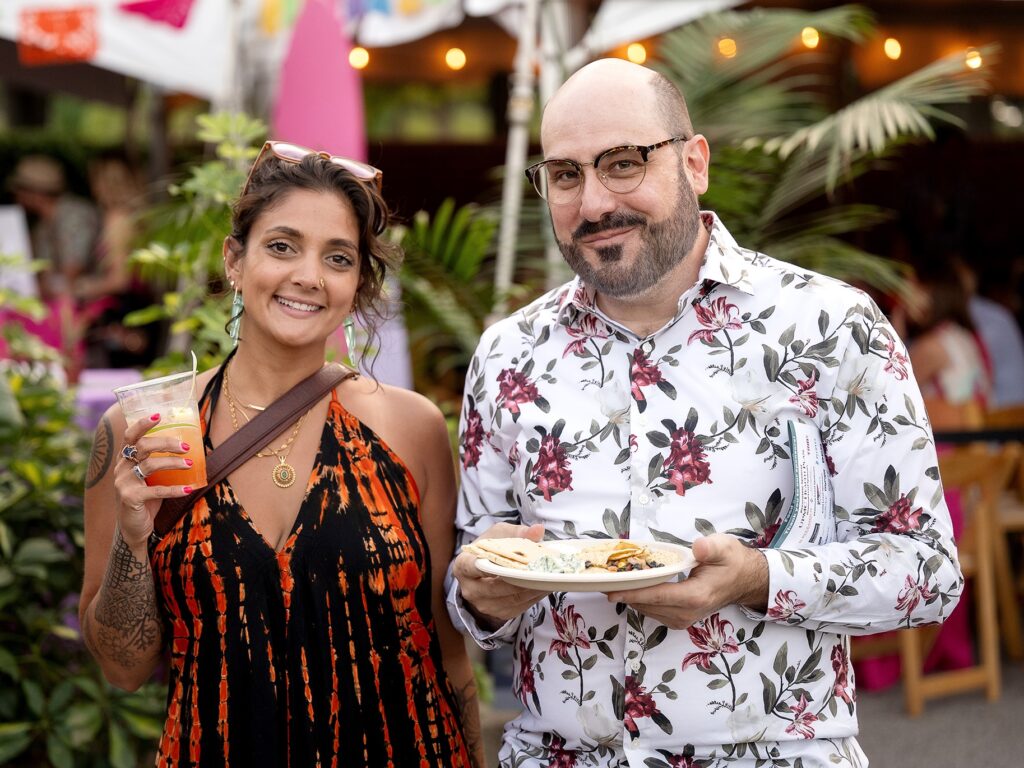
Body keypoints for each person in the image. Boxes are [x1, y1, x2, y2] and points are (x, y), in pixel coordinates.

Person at [449, 59, 960, 767]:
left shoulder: (830, 329)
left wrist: (759, 578)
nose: (593, 203)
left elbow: (927, 572)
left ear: (695, 163)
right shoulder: (508, 356)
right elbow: (476, 582)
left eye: (623, 164)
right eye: (565, 175)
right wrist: (481, 599)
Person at [80, 142, 483, 767]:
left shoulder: (414, 428)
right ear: (234, 261)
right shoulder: (142, 433)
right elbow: (121, 667)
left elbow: (446, 648)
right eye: (282, 246)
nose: (308, 276)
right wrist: (131, 542)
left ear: (360, 285)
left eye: (339, 258)